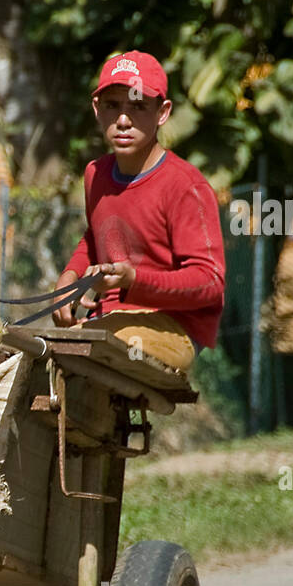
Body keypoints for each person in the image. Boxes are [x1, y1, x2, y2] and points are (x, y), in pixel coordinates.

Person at [52, 51, 225, 371]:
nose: (122, 119)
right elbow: (96, 236)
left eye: (138, 106)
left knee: (93, 358)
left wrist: (134, 281)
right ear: (96, 109)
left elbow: (209, 283)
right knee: (36, 356)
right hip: (107, 322)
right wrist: (70, 276)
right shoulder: (95, 174)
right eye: (112, 105)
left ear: (163, 112)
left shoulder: (186, 186)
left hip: (172, 328)